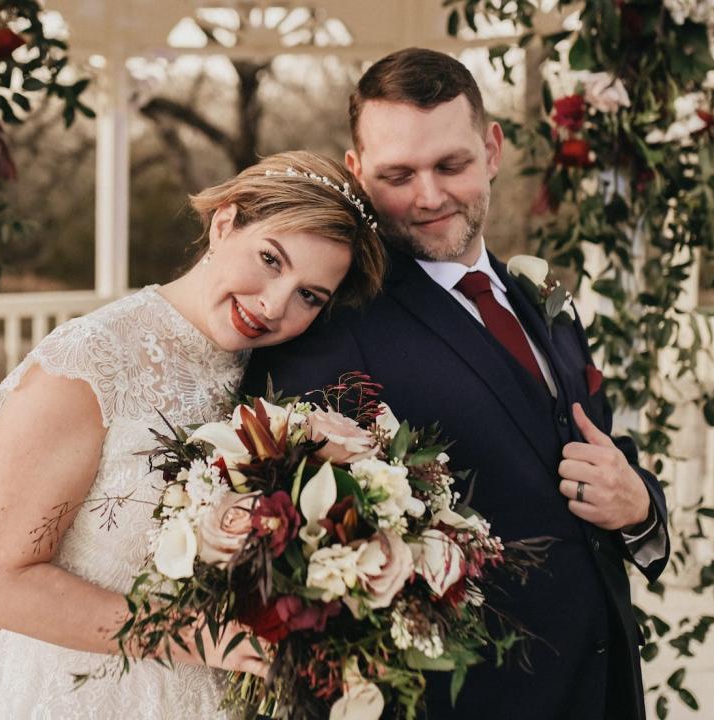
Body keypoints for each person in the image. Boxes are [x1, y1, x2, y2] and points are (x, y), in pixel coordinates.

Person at [242, 49, 669, 720]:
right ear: (357, 172)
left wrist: (639, 505)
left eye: (451, 165)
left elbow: (600, 459)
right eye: (398, 174)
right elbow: (296, 563)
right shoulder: (331, 330)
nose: (430, 196)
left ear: (492, 149)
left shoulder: (544, 295)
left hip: (603, 688)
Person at [0, 150, 385, 719]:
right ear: (225, 222)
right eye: (270, 259)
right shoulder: (90, 361)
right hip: (84, 696)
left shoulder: (274, 381)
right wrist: (211, 638)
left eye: (310, 295)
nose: (273, 304)